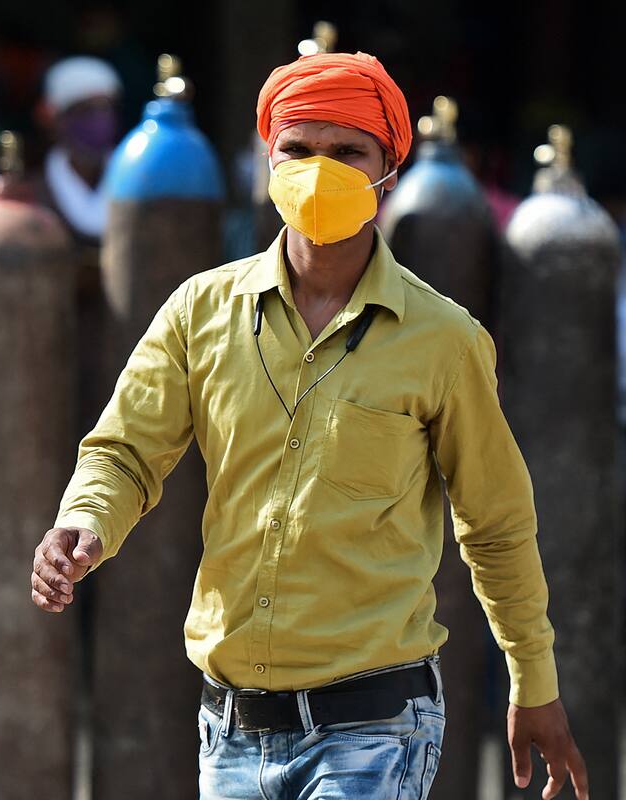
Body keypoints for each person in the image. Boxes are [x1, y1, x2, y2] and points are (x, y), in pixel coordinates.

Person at [31, 51, 588, 799]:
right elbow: (126, 450)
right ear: (268, 159)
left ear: (388, 172)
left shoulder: (444, 340)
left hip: (376, 725)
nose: (319, 171)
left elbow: (495, 523)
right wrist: (86, 520)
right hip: (230, 729)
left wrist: (534, 681)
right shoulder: (200, 312)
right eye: (297, 149)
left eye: (348, 152)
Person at [37, 55, 121, 245]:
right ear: (58, 118)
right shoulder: (35, 190)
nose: (99, 120)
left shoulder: (138, 181)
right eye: (85, 110)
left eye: (106, 108)